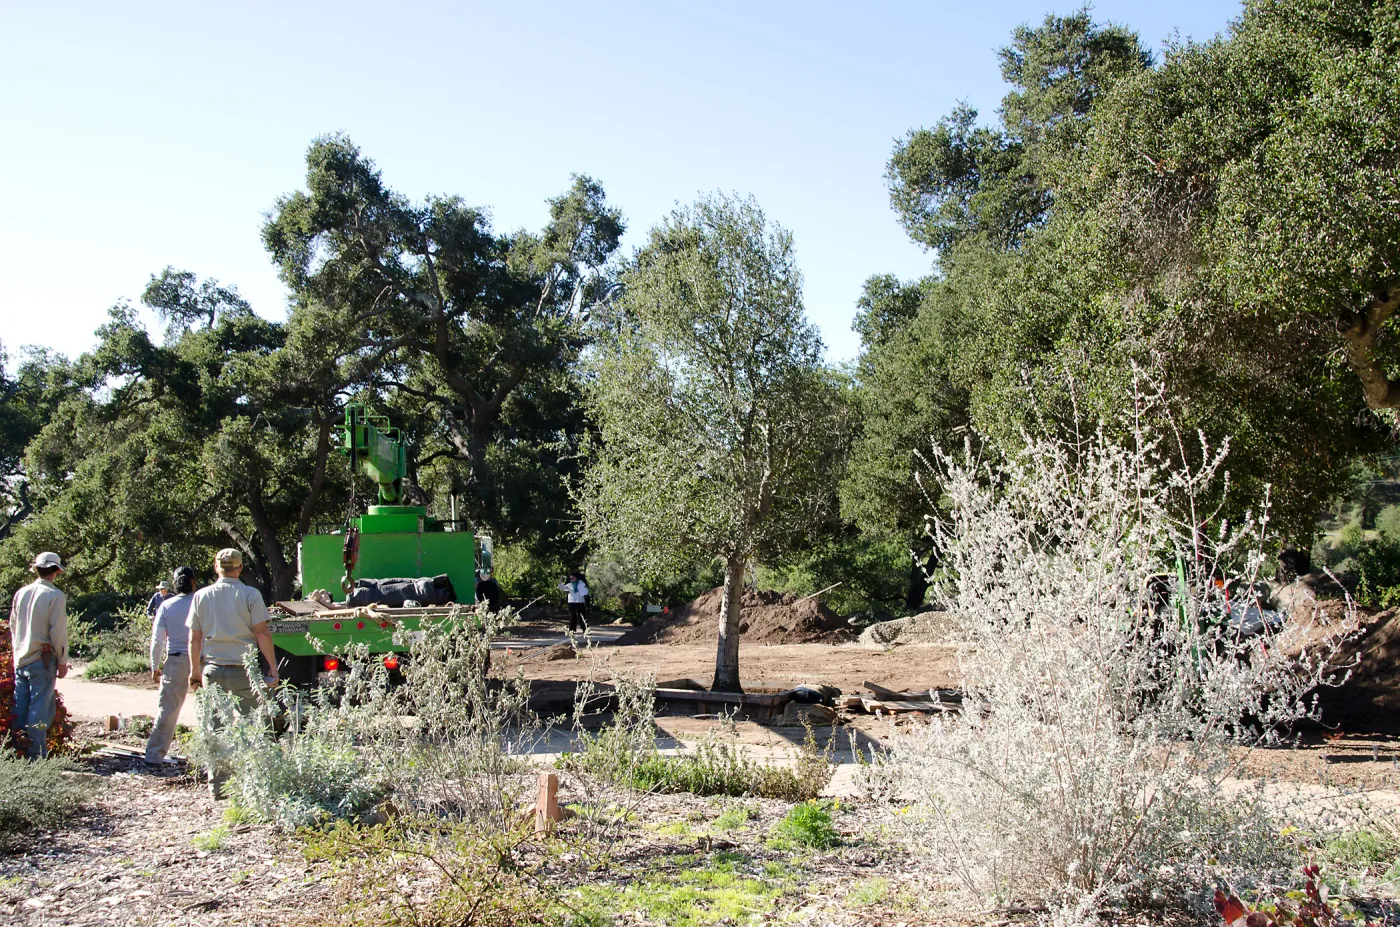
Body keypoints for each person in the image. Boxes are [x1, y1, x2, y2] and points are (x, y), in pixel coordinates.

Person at [187, 548, 277, 798]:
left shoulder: (201, 596)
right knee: (253, 727)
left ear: (216, 567)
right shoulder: (250, 594)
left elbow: (194, 638)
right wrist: (272, 667)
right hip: (244, 670)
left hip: (213, 670)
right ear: (239, 568)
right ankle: (254, 787)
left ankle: (218, 788)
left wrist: (195, 672)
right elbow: (262, 633)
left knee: (214, 729)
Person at [8, 552, 68, 759]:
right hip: (42, 659)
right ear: (57, 571)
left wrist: (17, 651)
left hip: (21, 657)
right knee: (40, 711)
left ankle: (17, 751)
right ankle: (37, 756)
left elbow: (13, 626)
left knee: (20, 708)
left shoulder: (21, 593)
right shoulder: (55, 596)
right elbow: (57, 632)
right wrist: (62, 661)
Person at [144, 566, 196, 766]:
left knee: (167, 710)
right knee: (210, 710)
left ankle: (154, 756)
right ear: (193, 581)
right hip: (202, 660)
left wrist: (155, 665)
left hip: (176, 660)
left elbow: (157, 641)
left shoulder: (166, 606)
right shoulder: (203, 602)